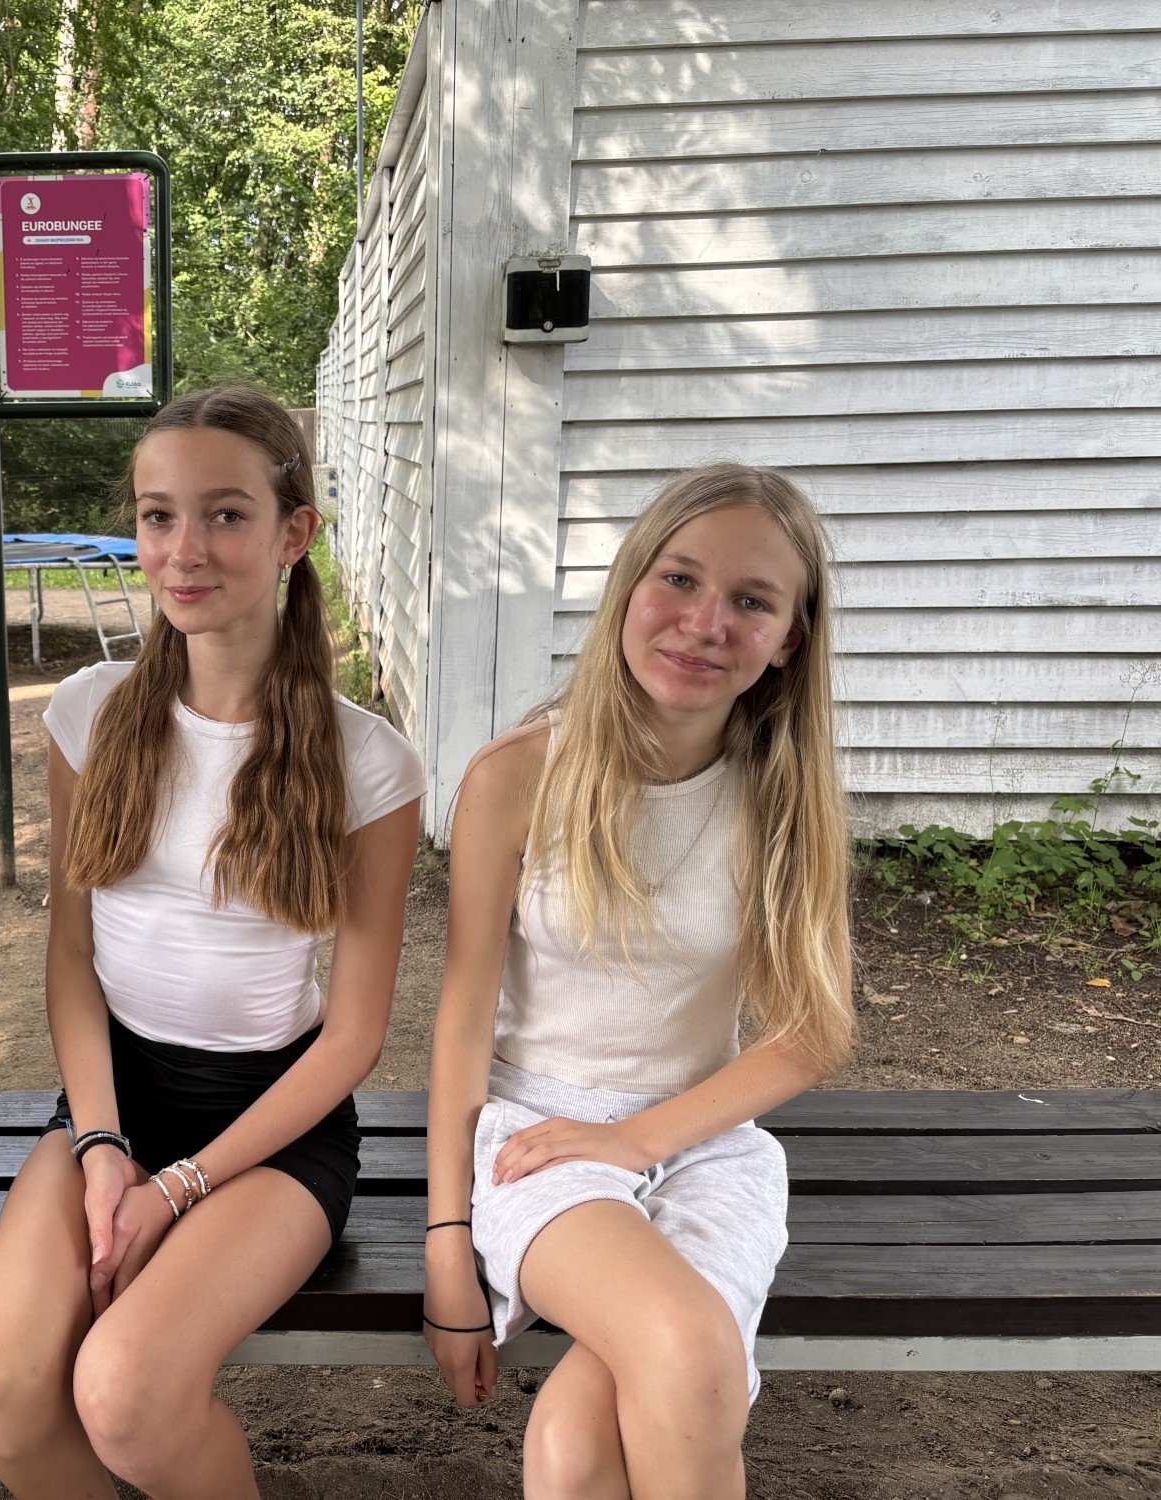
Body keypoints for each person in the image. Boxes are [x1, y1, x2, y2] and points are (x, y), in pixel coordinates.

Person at [0, 386, 424, 1499]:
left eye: (224, 514)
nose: (184, 549)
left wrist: (178, 1189)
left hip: (272, 1133)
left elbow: (354, 1036)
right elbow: (71, 960)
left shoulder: (368, 763)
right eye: (158, 515)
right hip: (112, 1107)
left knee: (126, 1391)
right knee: (6, 1391)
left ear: (293, 533)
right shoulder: (90, 713)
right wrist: (102, 1146)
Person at [422, 464, 857, 1499]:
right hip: (539, 1141)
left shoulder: (782, 795)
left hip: (704, 1141)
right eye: (680, 579)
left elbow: (814, 1029)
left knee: (575, 1449)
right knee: (693, 1355)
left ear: (788, 640)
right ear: (628, 585)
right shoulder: (519, 776)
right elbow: (462, 1019)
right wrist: (445, 1245)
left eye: (751, 601)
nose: (705, 623)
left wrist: (640, 1139)